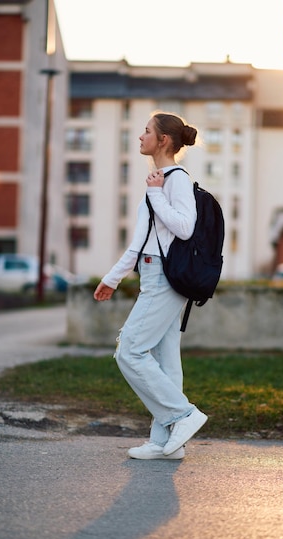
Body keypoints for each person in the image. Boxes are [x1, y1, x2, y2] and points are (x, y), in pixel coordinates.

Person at [94, 112, 208, 460]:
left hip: (164, 278)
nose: (140, 137)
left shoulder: (175, 180)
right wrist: (112, 278)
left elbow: (185, 227)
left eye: (146, 131)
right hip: (153, 274)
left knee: (129, 350)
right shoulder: (158, 180)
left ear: (164, 140)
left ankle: (183, 415)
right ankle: (165, 442)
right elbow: (142, 241)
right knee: (165, 358)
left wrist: (157, 195)